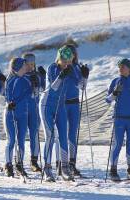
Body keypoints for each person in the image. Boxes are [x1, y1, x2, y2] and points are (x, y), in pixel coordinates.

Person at [39, 45, 78, 182]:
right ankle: (47, 169)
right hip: (47, 104)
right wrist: (62, 76)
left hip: (61, 106)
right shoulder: (52, 68)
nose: (67, 64)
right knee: (50, 136)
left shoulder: (71, 68)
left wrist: (84, 75)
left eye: (69, 61)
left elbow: (80, 85)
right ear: (59, 59)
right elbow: (54, 87)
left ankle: (64, 168)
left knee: (63, 135)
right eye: (64, 61)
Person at [54, 44, 89, 177]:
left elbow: (82, 86)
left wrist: (85, 76)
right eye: (70, 53)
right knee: (60, 134)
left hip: (74, 104)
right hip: (62, 103)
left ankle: (72, 164)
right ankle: (60, 163)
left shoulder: (76, 68)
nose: (73, 56)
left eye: (73, 53)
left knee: (72, 135)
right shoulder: (59, 66)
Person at [4, 58, 32, 177]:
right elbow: (7, 94)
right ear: (17, 67)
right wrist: (9, 103)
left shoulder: (26, 79)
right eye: (24, 66)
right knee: (11, 140)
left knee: (21, 141)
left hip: (23, 113)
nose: (26, 67)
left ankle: (19, 164)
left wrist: (35, 83)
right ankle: (8, 165)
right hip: (11, 112)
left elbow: (30, 93)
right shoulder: (10, 79)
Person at [22, 53, 46, 172]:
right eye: (28, 64)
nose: (31, 67)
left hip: (34, 109)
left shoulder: (36, 75)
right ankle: (18, 161)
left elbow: (43, 90)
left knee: (34, 135)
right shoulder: (20, 76)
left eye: (33, 64)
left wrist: (43, 77)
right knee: (21, 136)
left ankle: (34, 161)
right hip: (23, 109)